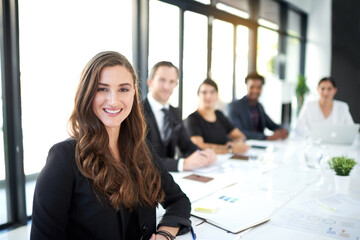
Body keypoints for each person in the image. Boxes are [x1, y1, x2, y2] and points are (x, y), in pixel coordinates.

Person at [31, 51, 191, 240]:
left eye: (123, 89)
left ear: (134, 93)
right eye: (102, 89)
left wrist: (164, 234)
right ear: (87, 93)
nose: (114, 100)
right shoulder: (63, 158)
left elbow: (179, 200)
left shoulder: (142, 149)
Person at [142, 61, 216, 172]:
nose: (167, 86)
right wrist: (182, 164)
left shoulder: (174, 112)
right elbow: (141, 159)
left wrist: (203, 153)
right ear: (150, 82)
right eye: (162, 80)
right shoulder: (137, 112)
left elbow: (186, 145)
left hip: (170, 179)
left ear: (176, 84)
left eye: (172, 82)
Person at [184, 78, 250, 154]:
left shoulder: (219, 115)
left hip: (224, 160)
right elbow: (198, 145)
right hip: (205, 163)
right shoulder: (193, 119)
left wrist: (237, 143)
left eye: (212, 92)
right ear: (199, 95)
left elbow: (241, 136)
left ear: (217, 95)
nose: (208, 96)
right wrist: (229, 149)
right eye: (204, 92)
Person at [227, 72, 288, 140]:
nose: (255, 90)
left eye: (259, 87)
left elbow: (271, 125)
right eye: (252, 87)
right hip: (243, 147)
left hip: (260, 146)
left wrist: (283, 129)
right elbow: (238, 132)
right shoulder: (235, 106)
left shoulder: (259, 107)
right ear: (246, 86)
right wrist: (267, 137)